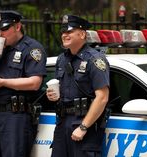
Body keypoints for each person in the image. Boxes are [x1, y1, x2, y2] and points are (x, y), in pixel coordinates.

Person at [0, 10, 47, 157]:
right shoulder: (0, 49)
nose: (0, 33)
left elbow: (35, 83)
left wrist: (3, 82)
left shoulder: (31, 48)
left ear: (17, 27)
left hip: (16, 116)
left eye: (5, 29)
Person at [46, 15, 110, 157]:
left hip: (84, 123)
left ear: (82, 34)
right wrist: (53, 96)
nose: (64, 35)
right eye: (63, 32)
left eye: (69, 32)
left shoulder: (95, 59)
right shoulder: (62, 59)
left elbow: (102, 97)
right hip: (62, 123)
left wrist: (83, 126)